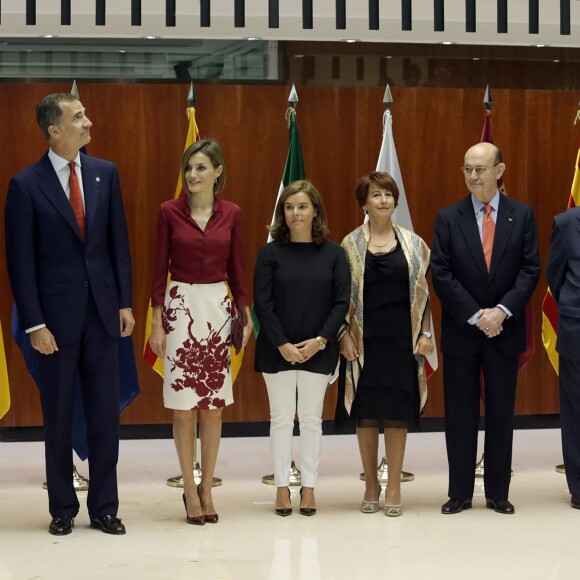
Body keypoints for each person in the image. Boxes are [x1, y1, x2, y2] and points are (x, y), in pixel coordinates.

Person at [4, 93, 135, 536]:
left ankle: (104, 507)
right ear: (53, 130)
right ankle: (62, 507)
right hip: (54, 325)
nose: (88, 121)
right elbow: (20, 263)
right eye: (77, 117)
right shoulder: (25, 185)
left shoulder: (105, 174)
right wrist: (35, 324)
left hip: (102, 316)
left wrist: (124, 303)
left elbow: (118, 245)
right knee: (58, 417)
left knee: (104, 417)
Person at [431, 142, 540, 515]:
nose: (473, 176)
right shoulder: (448, 218)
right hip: (464, 332)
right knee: (459, 416)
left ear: (499, 170)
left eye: (480, 169)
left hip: (504, 331)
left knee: (500, 414)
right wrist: (479, 316)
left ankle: (498, 492)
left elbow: (530, 270)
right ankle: (459, 493)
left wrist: (502, 312)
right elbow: (442, 275)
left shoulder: (522, 215)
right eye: (467, 169)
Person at [149, 139, 252, 525]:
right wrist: (157, 322)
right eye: (188, 167)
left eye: (200, 167)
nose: (192, 175)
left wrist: (245, 316)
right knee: (183, 408)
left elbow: (239, 267)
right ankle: (189, 491)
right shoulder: (168, 212)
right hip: (180, 310)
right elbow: (159, 269)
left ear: (218, 171)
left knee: (213, 406)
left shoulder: (233, 214)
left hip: (218, 310)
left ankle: (208, 487)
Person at [337, 171, 432, 517]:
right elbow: (340, 296)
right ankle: (370, 485)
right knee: (365, 415)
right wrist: (343, 334)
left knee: (395, 416)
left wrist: (424, 334)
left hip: (400, 342)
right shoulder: (349, 245)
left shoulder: (413, 243)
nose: (383, 200)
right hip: (363, 342)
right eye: (375, 195)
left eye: (388, 195)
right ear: (363, 203)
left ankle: (393, 484)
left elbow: (423, 294)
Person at [253, 180, 350, 516]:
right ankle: (282, 488)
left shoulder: (335, 254)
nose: (296, 213)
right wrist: (282, 343)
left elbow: (341, 303)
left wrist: (320, 341)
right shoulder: (269, 254)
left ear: (315, 212)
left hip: (318, 349)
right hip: (276, 350)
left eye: (303, 206)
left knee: (311, 420)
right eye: (290, 207)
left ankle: (308, 488)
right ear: (283, 212)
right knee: (280, 419)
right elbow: (262, 304)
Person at [546, 206, 580, 509]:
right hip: (577, 328)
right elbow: (555, 276)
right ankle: (579, 485)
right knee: (575, 409)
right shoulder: (566, 223)